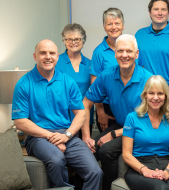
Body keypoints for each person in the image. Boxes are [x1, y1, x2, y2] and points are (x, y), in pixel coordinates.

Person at [11, 39, 102, 189]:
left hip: (67, 135)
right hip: (38, 137)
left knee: (95, 172)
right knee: (56, 159)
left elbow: (80, 114)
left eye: (52, 53)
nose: (48, 57)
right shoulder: (24, 84)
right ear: (35, 56)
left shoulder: (67, 81)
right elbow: (20, 121)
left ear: (57, 57)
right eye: (43, 53)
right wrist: (51, 137)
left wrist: (66, 135)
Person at [81, 34, 152, 190]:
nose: (124, 55)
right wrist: (86, 137)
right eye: (120, 51)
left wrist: (113, 134)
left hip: (143, 130)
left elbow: (151, 119)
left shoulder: (148, 80)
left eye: (129, 51)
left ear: (137, 54)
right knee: (87, 149)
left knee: (106, 150)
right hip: (122, 125)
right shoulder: (107, 75)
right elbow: (85, 104)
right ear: (115, 54)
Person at [123, 75, 169, 190]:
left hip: (167, 166)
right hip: (139, 168)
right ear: (145, 95)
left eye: (160, 93)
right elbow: (126, 154)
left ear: (166, 96)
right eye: (151, 93)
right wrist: (145, 170)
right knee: (161, 188)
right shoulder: (132, 118)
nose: (156, 98)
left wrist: (167, 173)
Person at [90, 8, 124, 133]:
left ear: (123, 25)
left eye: (117, 23)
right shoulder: (99, 52)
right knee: (106, 146)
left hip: (130, 106)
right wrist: (100, 111)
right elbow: (95, 83)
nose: (113, 27)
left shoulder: (132, 46)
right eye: (109, 24)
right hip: (107, 107)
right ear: (104, 27)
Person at [56, 23, 94, 137]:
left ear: (83, 41)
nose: (73, 42)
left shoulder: (90, 64)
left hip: (85, 118)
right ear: (64, 41)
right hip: (63, 118)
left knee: (84, 150)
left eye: (77, 39)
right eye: (69, 39)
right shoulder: (56, 63)